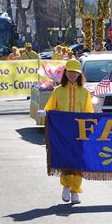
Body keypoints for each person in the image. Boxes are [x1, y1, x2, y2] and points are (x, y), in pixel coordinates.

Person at [44, 59, 94, 204]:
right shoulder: (58, 91)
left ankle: (75, 190)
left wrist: (88, 129)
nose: (73, 75)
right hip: (62, 133)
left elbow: (88, 112)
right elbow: (51, 110)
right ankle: (66, 186)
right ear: (65, 73)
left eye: (76, 73)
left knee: (78, 162)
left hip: (79, 132)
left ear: (80, 75)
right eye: (70, 72)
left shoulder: (85, 92)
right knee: (66, 160)